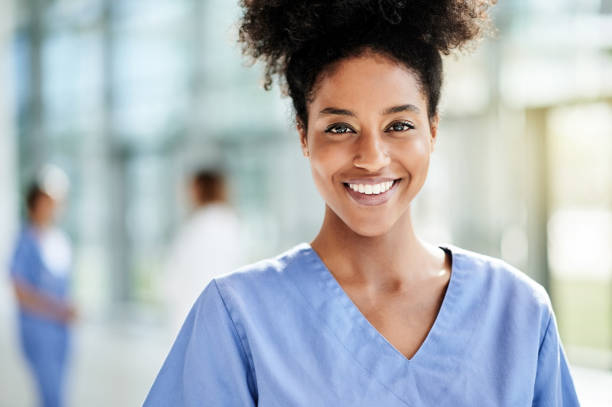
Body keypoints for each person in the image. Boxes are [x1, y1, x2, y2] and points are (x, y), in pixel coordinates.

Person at [145, 1, 580, 405]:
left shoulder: (517, 311)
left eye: (399, 124)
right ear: (303, 135)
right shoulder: (236, 318)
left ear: (433, 130)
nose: (372, 157)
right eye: (339, 128)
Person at [9, 166, 76, 407]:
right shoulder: (26, 242)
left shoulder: (59, 241)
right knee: (50, 396)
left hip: (61, 332)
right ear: (33, 204)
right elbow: (20, 291)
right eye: (46, 202)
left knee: (58, 392)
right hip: (39, 331)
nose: (52, 208)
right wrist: (56, 308)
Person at [164, 169, 244, 333]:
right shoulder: (233, 225)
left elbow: (171, 280)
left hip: (192, 314)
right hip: (225, 318)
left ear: (199, 189)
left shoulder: (194, 228)